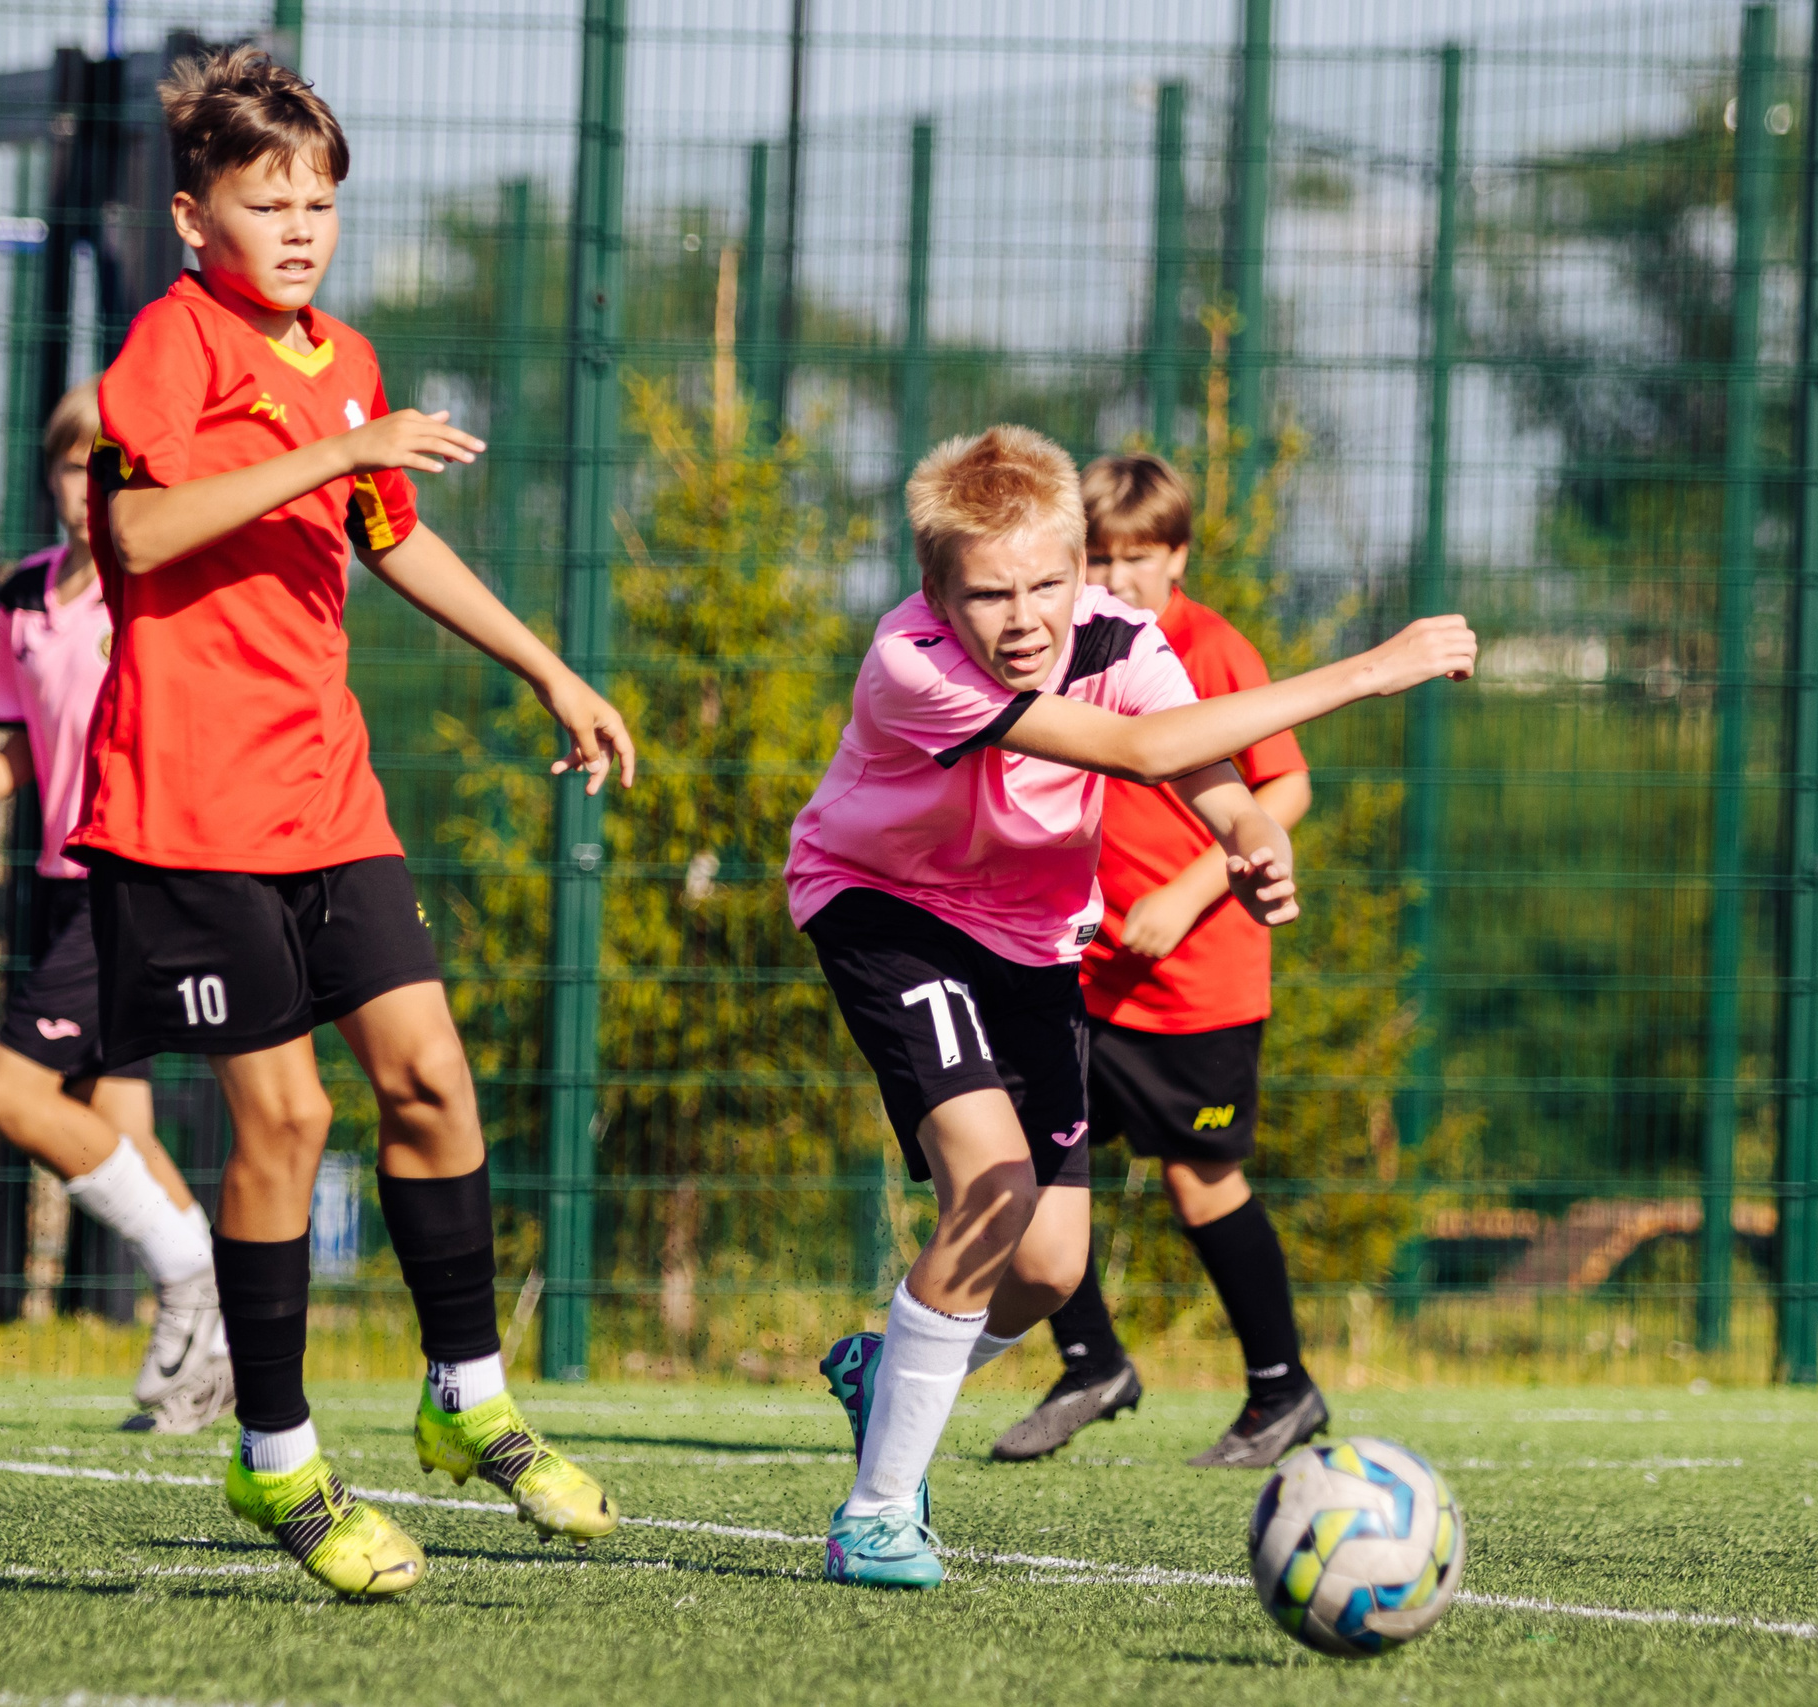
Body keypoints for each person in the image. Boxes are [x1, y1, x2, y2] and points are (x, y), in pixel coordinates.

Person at [73, 46, 635, 1601]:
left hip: (326, 789)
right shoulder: (172, 346)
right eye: (271, 201)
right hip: (184, 808)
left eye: (322, 198)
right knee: (288, 1122)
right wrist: (332, 447)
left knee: (431, 1081)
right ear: (197, 217)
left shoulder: (350, 357)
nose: (304, 225)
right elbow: (140, 525)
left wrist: (549, 667)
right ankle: (278, 1458)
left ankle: (470, 1404)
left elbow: (393, 539)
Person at [789, 425, 1472, 1589]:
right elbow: (1144, 748)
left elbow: (1209, 774)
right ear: (935, 594)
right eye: (988, 593)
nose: (1022, 618)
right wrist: (1371, 668)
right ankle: (875, 1514)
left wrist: (1252, 837)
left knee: (1051, 1267)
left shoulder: (1117, 633)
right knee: (991, 1184)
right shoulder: (909, 663)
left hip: (1030, 940)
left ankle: (890, 1364)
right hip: (887, 912)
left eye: (1046, 583)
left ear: (1080, 565)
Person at [0, 383, 233, 1436]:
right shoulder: (25, 598)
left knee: (5, 1087)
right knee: (114, 1120)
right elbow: (26, 745)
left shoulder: (153, 595)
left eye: (108, 468)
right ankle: (205, 1361)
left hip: (129, 879)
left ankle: (195, 1284)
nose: (87, 485)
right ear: (47, 477)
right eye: (70, 465)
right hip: (57, 881)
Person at [990, 451, 1322, 1470]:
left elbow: (1285, 789)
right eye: (1101, 557)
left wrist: (1188, 891)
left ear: (1177, 556)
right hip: (1076, 969)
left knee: (1199, 1182)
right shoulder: (1059, 646)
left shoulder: (1212, 649)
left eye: (1141, 557)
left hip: (1193, 982)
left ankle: (1282, 1390)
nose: (1119, 579)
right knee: (1029, 1168)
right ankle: (1090, 1361)